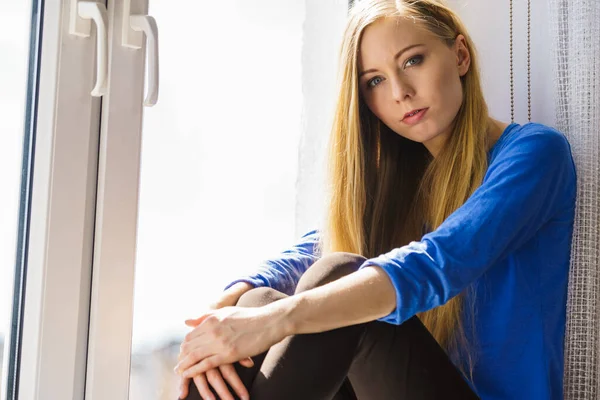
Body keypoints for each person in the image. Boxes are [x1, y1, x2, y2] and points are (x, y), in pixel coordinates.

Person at [174, 0, 577, 399]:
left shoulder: (533, 154)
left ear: (459, 55)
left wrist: (273, 321)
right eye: (375, 81)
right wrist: (225, 309)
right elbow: (314, 248)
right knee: (256, 299)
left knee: (335, 281)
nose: (400, 92)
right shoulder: (407, 184)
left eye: (412, 61)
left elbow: (438, 263)